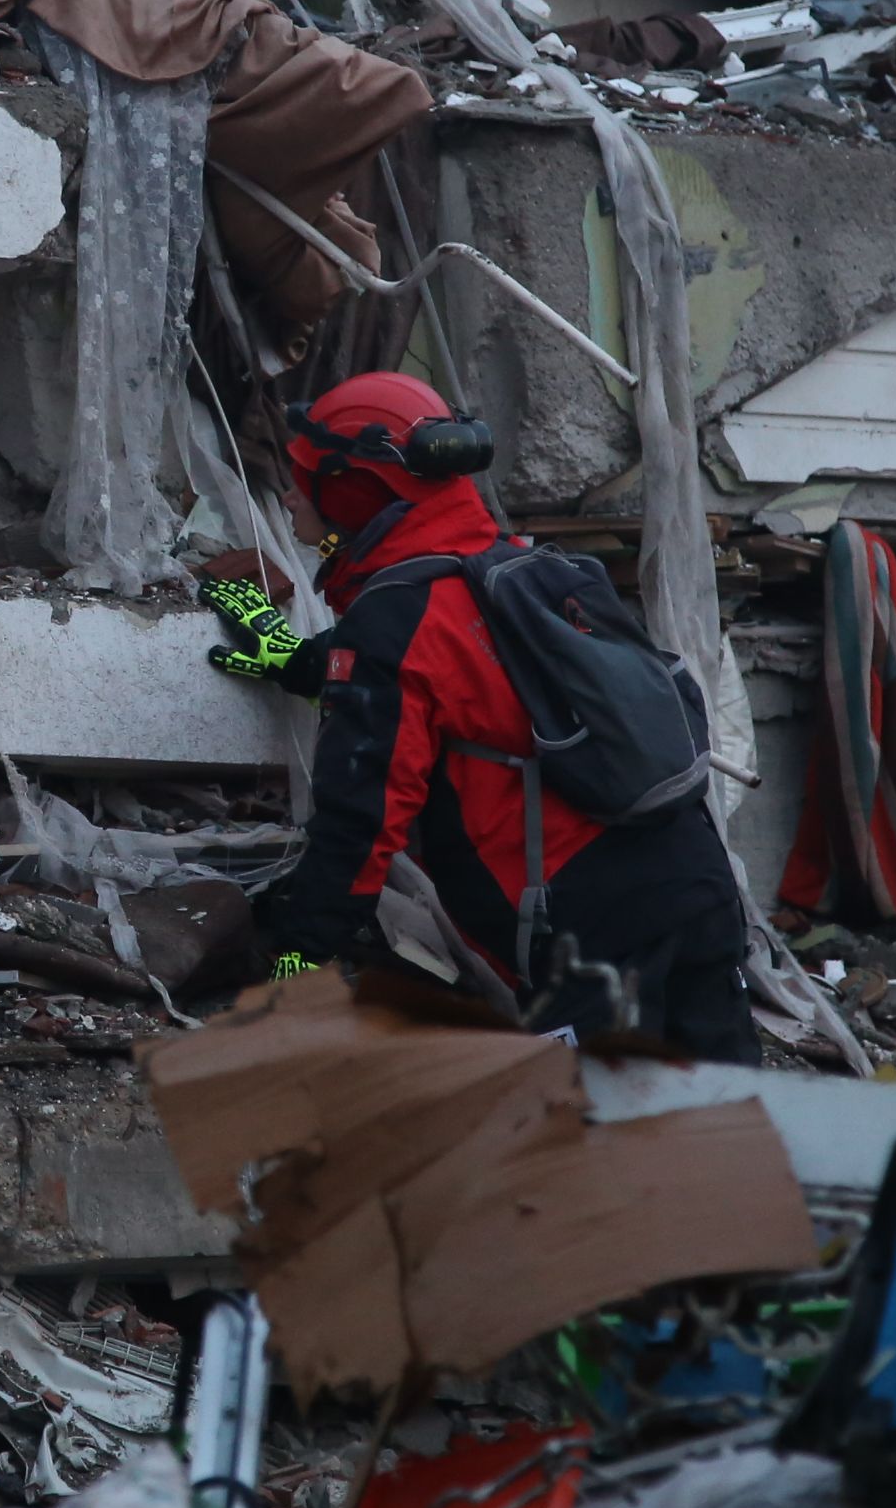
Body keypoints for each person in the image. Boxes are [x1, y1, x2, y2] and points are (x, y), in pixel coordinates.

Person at [205, 372, 759, 1062]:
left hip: (592, 934)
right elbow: (460, 674)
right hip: (699, 889)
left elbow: (363, 818)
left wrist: (298, 957)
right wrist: (304, 663)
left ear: (356, 489)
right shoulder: (524, 570)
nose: (288, 494)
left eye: (304, 477)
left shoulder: (395, 617)